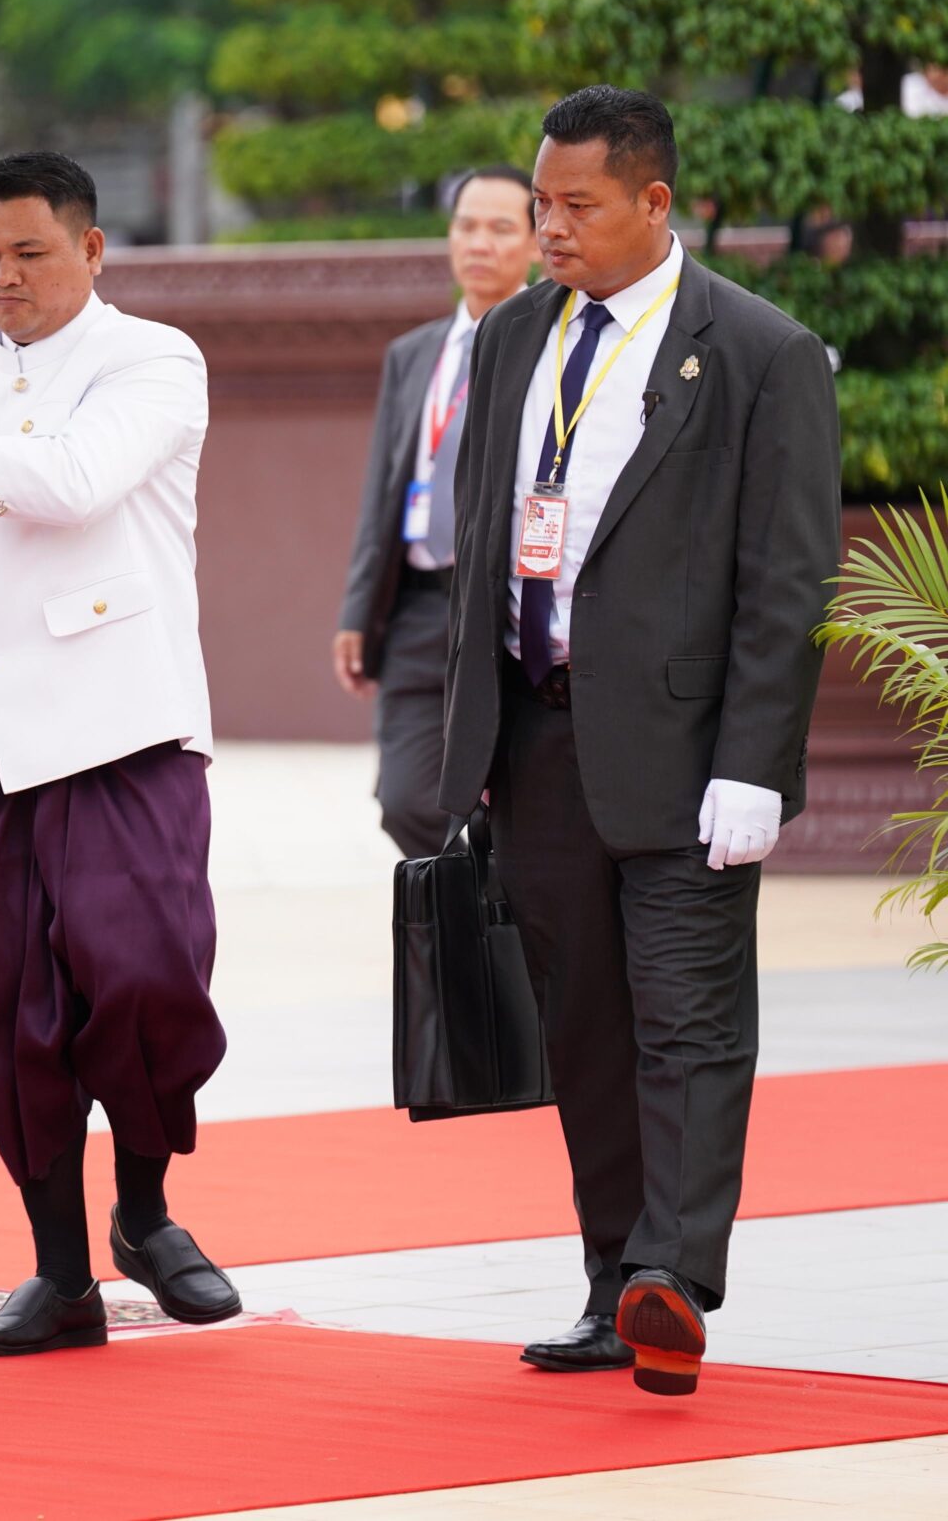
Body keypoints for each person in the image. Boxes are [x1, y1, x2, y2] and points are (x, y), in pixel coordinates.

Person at [439, 86, 840, 1395]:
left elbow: (786, 580)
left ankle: (673, 1273)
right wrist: (466, 744)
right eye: (539, 203)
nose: (548, 228)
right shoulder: (511, 338)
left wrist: (756, 765)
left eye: (578, 206)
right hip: (537, 744)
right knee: (585, 1029)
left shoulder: (759, 352)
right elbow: (485, 544)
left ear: (654, 203)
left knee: (689, 1022)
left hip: (687, 755)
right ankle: (613, 1279)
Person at [0, 150, 240, 1354]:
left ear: (91, 249)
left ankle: (144, 1210)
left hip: (122, 718)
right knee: (4, 1012)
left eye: (28, 252)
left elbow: (74, 483)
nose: (2, 276)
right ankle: (61, 1271)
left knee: (146, 974)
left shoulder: (152, 360)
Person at [334, 166, 537, 859]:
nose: (479, 243)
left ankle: (498, 914)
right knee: (404, 799)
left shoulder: (555, 348)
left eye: (501, 228)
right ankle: (479, 907)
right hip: (420, 608)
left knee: (506, 796)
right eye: (466, 225)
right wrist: (358, 611)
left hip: (507, 607)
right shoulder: (413, 354)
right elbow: (382, 491)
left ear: (536, 244)